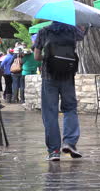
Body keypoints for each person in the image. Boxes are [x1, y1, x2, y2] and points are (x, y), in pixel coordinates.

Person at [34, 21, 86, 161]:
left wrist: (48, 58)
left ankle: (54, 151)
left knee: (50, 113)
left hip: (49, 76)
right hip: (68, 76)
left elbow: (36, 56)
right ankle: (69, 143)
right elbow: (82, 35)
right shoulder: (72, 31)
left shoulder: (44, 31)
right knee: (70, 109)